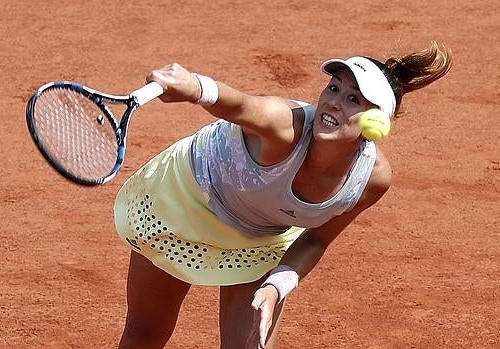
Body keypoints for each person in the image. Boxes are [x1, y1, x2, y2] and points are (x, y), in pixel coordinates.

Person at [113, 41, 453, 349]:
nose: (333, 103)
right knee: (145, 334)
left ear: (377, 122)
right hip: (185, 203)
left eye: (352, 99)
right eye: (334, 88)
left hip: (260, 235)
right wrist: (196, 87)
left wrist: (278, 286)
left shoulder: (371, 179)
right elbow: (242, 106)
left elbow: (317, 240)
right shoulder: (286, 126)